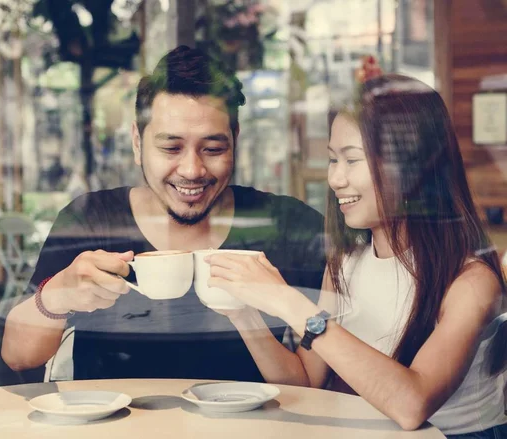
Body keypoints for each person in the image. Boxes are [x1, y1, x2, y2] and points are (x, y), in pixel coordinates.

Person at [1, 45, 326, 382]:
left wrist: (249, 316)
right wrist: (59, 293)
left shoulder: (287, 224)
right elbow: (18, 357)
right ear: (137, 144)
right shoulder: (91, 219)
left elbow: (310, 386)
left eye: (213, 149)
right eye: (171, 148)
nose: (191, 170)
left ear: (235, 142)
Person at [207, 74, 507, 437]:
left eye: (352, 160)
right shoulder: (346, 264)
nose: (335, 178)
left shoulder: (471, 281)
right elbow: (304, 382)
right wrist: (245, 314)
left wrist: (289, 303)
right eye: (333, 160)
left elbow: (413, 405)